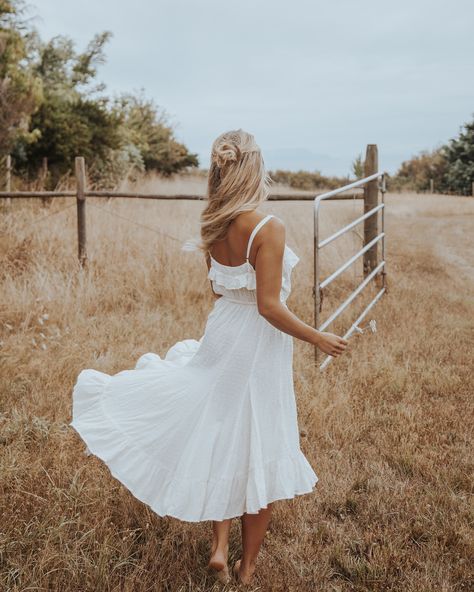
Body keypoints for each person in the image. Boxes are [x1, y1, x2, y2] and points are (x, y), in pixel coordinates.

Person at [70, 128, 348, 586]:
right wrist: (317, 338)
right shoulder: (267, 226)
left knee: (220, 431)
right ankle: (246, 569)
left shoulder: (213, 223)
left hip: (223, 333)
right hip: (258, 343)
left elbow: (219, 289)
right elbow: (269, 306)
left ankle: (219, 546)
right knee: (260, 442)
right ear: (255, 167)